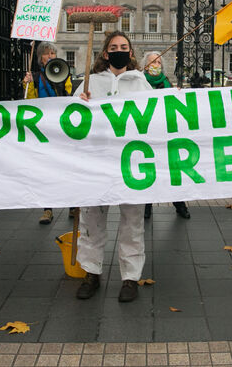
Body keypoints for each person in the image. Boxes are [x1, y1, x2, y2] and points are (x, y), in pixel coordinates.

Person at [74, 31, 152, 303]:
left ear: (130, 53)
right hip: (96, 162)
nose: (119, 50)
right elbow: (70, 119)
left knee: (132, 221)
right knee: (91, 219)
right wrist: (78, 102)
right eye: (113, 47)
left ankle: (130, 278)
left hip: (131, 163)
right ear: (105, 53)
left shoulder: (142, 83)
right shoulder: (89, 82)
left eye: (124, 47)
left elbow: (158, 116)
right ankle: (91, 272)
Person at [22, 42, 80, 224]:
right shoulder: (37, 77)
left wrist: (61, 79)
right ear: (40, 57)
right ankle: (47, 209)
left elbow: (68, 94)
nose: (51, 57)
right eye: (47, 54)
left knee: (68, 168)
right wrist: (28, 84)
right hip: (44, 129)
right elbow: (30, 101)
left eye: (53, 53)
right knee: (46, 169)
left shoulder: (63, 73)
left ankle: (73, 206)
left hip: (62, 128)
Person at [140, 51, 190, 219]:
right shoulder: (139, 83)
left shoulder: (167, 83)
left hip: (164, 134)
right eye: (153, 62)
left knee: (171, 169)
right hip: (145, 135)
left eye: (159, 62)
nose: (156, 65)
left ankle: (179, 203)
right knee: (148, 170)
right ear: (145, 66)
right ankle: (146, 205)